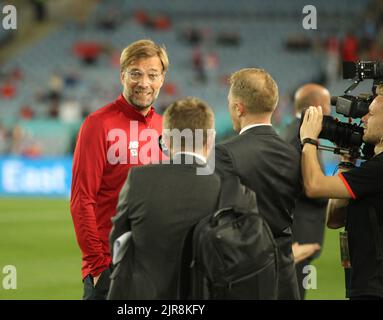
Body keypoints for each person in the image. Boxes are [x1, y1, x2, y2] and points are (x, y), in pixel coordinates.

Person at [108, 97, 255, 299]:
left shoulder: (139, 179)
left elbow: (117, 242)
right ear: (211, 139)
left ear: (166, 140)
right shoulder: (235, 190)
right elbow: (245, 262)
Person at [70, 39, 169, 300]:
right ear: (122, 75)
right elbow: (82, 201)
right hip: (111, 268)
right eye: (135, 73)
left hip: (157, 270)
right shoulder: (97, 125)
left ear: (162, 79)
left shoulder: (166, 128)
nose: (144, 83)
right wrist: (98, 266)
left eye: (152, 75)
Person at [215, 68, 302, 299]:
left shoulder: (223, 154)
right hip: (285, 277)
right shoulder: (295, 153)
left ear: (239, 108)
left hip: (242, 278)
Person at [299, 84, 383, 300]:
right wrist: (346, 162)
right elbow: (335, 219)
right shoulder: (374, 166)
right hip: (366, 283)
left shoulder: (381, 168)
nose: (364, 119)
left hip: (377, 286)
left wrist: (309, 140)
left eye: (371, 114)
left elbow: (313, 185)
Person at [281, 83, 331, 299]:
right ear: (318, 106)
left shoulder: (294, 131)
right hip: (297, 234)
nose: (329, 112)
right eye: (328, 105)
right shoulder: (300, 136)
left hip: (297, 231)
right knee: (294, 293)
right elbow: (308, 186)